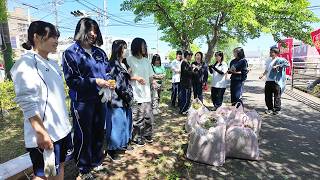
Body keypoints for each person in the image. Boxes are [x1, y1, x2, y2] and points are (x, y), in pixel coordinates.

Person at [10, 21, 73, 180]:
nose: (57, 40)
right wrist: (41, 132)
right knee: (47, 174)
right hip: (47, 133)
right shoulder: (25, 63)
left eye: (57, 36)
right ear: (36, 37)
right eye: (52, 36)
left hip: (62, 131)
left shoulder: (53, 64)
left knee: (58, 168)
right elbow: (26, 101)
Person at [62, 18, 115, 179]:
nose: (93, 34)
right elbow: (72, 81)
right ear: (81, 30)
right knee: (84, 134)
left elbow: (107, 71)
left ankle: (96, 160)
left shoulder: (100, 52)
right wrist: (95, 81)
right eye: (89, 30)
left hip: (100, 99)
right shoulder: (70, 53)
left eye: (95, 30)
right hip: (82, 102)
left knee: (99, 130)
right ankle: (83, 167)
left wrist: (109, 82)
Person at [105, 40, 134, 161]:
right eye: (124, 48)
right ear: (118, 49)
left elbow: (126, 81)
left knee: (125, 123)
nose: (126, 51)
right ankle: (112, 150)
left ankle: (122, 145)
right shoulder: (112, 64)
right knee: (116, 125)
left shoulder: (124, 64)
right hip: (116, 100)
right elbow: (117, 84)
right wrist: (127, 96)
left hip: (125, 98)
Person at [127, 37, 155, 146]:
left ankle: (147, 135)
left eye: (145, 46)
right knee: (138, 118)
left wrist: (154, 83)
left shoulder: (146, 61)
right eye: (143, 45)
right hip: (135, 94)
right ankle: (137, 138)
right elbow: (125, 76)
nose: (145, 48)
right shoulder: (129, 59)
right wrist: (136, 78)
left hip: (146, 93)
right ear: (137, 46)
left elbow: (150, 76)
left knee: (148, 117)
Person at [259, 47, 289, 115]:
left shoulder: (280, 60)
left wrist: (278, 65)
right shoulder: (268, 60)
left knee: (277, 96)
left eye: (271, 52)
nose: (270, 53)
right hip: (268, 80)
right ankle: (270, 108)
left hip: (276, 81)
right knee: (267, 95)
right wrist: (263, 75)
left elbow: (287, 64)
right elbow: (267, 70)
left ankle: (277, 109)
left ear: (276, 53)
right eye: (270, 51)